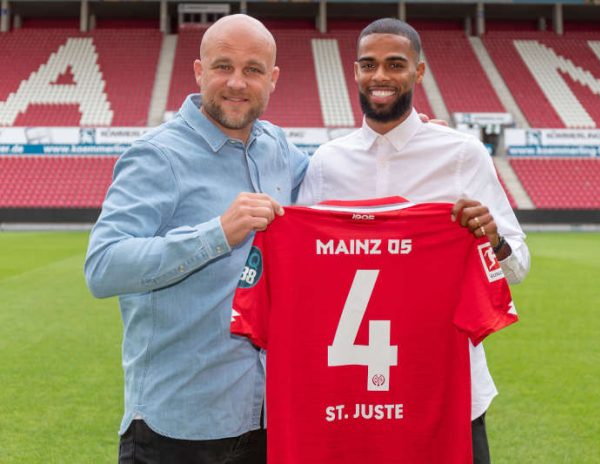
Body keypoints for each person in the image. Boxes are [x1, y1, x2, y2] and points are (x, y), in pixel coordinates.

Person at [296, 18, 531, 464]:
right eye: (368, 64)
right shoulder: (327, 163)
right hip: (354, 387)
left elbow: (518, 264)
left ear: (418, 72)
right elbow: (308, 269)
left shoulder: (461, 154)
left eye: (395, 64)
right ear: (355, 72)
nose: (379, 76)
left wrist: (492, 238)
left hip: (446, 385)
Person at [84, 14, 307, 464]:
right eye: (223, 66)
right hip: (180, 427)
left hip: (268, 420)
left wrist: (407, 136)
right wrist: (217, 233)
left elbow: (344, 188)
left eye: (253, 70)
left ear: (274, 78)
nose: (237, 83)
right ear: (198, 71)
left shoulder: (280, 149)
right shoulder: (157, 155)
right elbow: (103, 267)